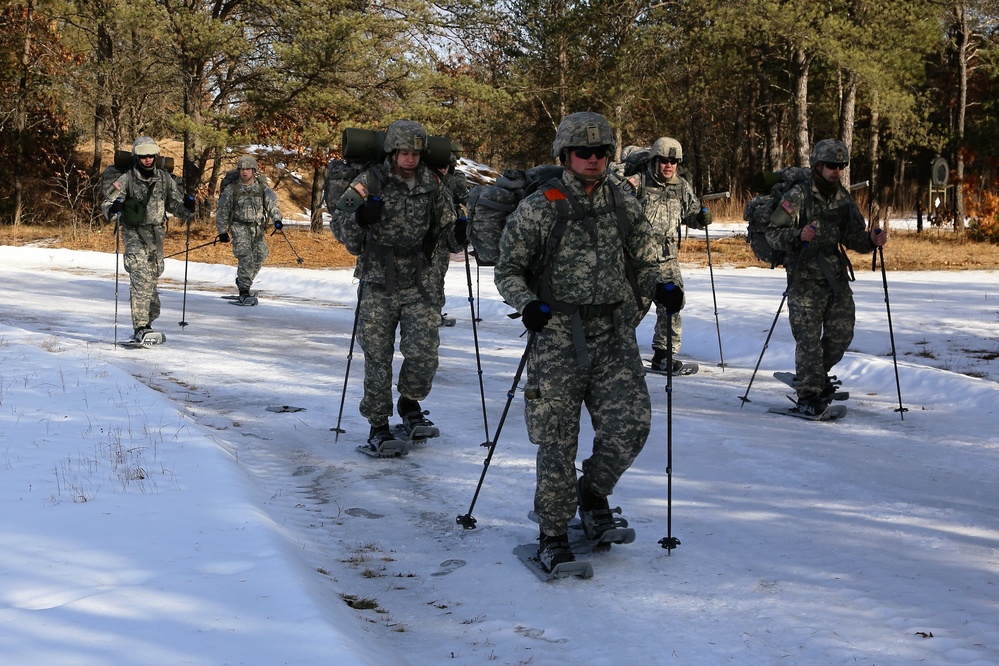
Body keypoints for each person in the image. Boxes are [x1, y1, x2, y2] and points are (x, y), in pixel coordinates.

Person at [494, 112, 683, 572]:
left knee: (631, 425)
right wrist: (527, 303)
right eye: (585, 152)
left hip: (615, 334)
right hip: (558, 335)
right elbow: (508, 269)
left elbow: (646, 256)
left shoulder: (623, 201)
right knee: (557, 438)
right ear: (565, 155)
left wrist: (663, 285)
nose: (594, 159)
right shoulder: (541, 206)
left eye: (602, 152)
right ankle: (553, 533)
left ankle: (593, 493)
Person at [331, 119, 466, 450]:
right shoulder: (369, 181)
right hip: (378, 278)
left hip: (420, 281)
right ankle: (378, 425)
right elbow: (340, 224)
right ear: (392, 152)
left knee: (424, 354)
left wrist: (458, 234)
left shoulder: (433, 183)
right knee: (377, 356)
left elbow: (446, 230)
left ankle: (410, 403)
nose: (410, 159)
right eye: (404, 152)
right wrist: (361, 220)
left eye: (416, 153)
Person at [765, 138, 888, 415]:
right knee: (808, 341)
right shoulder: (798, 196)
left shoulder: (843, 197)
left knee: (841, 335)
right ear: (818, 165)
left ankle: (815, 377)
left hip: (834, 276)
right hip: (804, 279)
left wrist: (871, 239)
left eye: (841, 166)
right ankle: (809, 395)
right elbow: (772, 234)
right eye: (832, 165)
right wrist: (798, 234)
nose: (837, 170)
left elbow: (853, 235)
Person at [622, 137, 711, 373]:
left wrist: (701, 219)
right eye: (664, 161)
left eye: (673, 161)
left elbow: (691, 213)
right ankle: (616, 351)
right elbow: (615, 212)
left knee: (673, 303)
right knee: (633, 307)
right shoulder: (636, 183)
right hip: (638, 257)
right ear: (654, 160)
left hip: (667, 255)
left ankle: (664, 354)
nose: (668, 166)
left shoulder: (680, 186)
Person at [103, 136, 193, 343]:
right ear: (137, 157)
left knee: (152, 279)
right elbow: (108, 202)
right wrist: (113, 208)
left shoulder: (163, 178)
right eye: (143, 156)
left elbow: (175, 204)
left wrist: (187, 208)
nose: (147, 160)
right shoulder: (126, 179)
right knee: (140, 277)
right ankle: (141, 326)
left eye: (151, 156)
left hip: (157, 235)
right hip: (134, 233)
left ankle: (148, 322)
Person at [215, 155, 283, 305]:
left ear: (254, 170)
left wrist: (277, 219)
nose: (245, 172)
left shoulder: (262, 188)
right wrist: (222, 231)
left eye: (248, 169)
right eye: (242, 169)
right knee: (246, 256)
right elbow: (222, 212)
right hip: (239, 226)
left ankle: (243, 282)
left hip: (257, 228)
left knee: (261, 254)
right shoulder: (231, 189)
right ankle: (244, 291)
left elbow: (273, 205)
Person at [434, 144, 469, 326]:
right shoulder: (427, 179)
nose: (443, 169)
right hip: (435, 233)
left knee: (439, 275)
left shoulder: (455, 178)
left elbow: (464, 198)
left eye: (446, 166)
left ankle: (435, 312)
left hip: (448, 231)